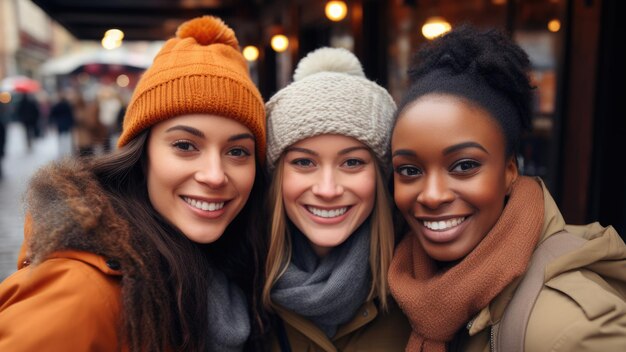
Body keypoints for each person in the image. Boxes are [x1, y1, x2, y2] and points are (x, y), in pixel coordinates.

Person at [0, 16, 267, 351]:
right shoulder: (81, 292)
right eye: (185, 146)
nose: (214, 175)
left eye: (238, 151)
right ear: (142, 156)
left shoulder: (239, 271)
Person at [387, 25, 626, 352]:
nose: (431, 195)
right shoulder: (402, 287)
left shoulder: (567, 331)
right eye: (410, 170)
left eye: (464, 166)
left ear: (510, 170)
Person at [263, 47, 411, 351]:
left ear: (380, 177)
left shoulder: (422, 285)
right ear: (277, 176)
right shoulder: (238, 286)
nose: (327, 190)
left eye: (352, 163)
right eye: (304, 162)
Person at [48, 89, 76, 156]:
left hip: (60, 124)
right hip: (66, 123)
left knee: (61, 138)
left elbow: (52, 114)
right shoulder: (68, 105)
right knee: (66, 138)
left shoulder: (57, 105)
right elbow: (71, 115)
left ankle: (62, 151)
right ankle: (66, 151)